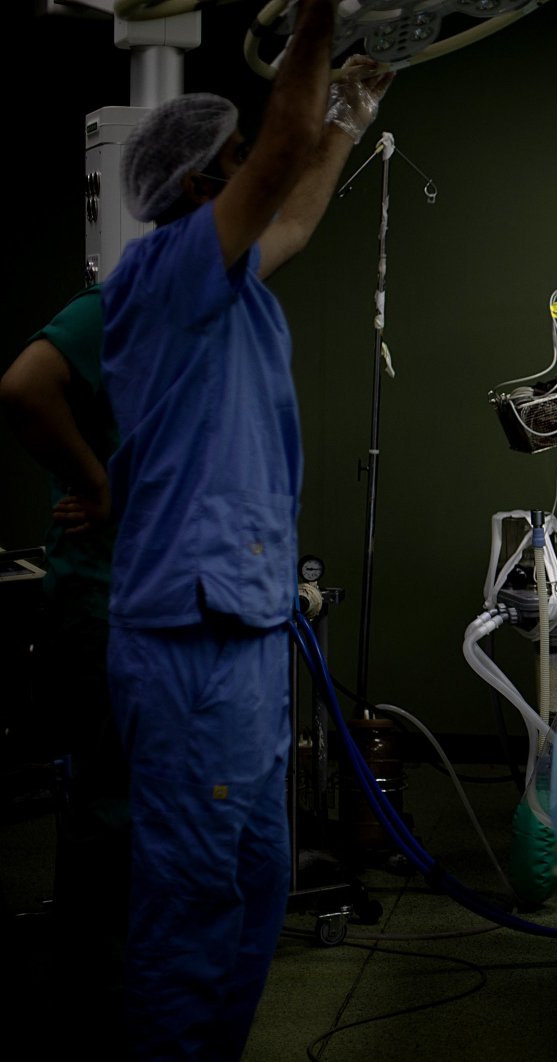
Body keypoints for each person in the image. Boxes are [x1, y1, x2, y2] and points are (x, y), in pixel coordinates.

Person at [98, 1, 394, 1054]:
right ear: (198, 184)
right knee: (197, 895)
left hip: (248, 631)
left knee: (257, 876)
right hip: (190, 642)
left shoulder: (234, 290)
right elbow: (276, 162)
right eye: (233, 160)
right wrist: (316, 25)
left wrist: (352, 118)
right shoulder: (166, 271)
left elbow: (298, 210)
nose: (254, 168)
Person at [0, 283, 128, 1051]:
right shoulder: (128, 303)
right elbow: (24, 386)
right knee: (110, 818)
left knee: (130, 818)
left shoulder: (215, 311)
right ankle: (96, 1014)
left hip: (150, 600)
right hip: (108, 605)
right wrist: (99, 482)